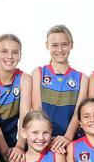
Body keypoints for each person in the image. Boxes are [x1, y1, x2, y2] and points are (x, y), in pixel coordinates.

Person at [32, 25, 88, 153]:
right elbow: (37, 109)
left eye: (64, 44)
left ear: (71, 45)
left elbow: (78, 113)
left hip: (71, 140)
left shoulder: (82, 78)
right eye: (54, 45)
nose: (60, 49)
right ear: (47, 46)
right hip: (43, 140)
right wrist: (46, 136)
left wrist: (67, 137)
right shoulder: (38, 73)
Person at [0, 33, 32, 162]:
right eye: (4, 51)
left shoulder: (25, 78)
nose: (9, 56)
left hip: (15, 138)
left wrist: (20, 145)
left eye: (15, 52)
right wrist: (4, 151)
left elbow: (25, 115)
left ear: (20, 55)